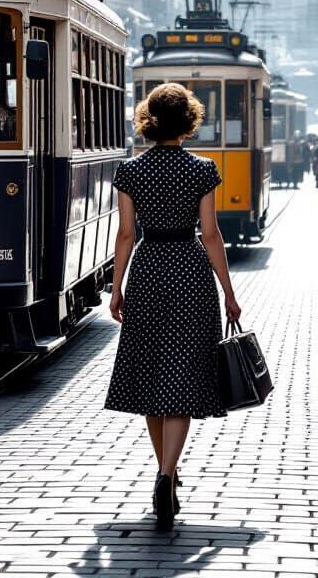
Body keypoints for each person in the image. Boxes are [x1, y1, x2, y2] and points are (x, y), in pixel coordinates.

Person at [105, 82, 240, 532]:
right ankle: (168, 474)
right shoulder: (203, 169)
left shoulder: (130, 172)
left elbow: (126, 234)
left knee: (149, 374)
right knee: (181, 375)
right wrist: (229, 291)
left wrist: (116, 285)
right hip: (189, 272)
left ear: (149, 120)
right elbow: (211, 235)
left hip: (147, 271)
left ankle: (165, 471)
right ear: (188, 120)